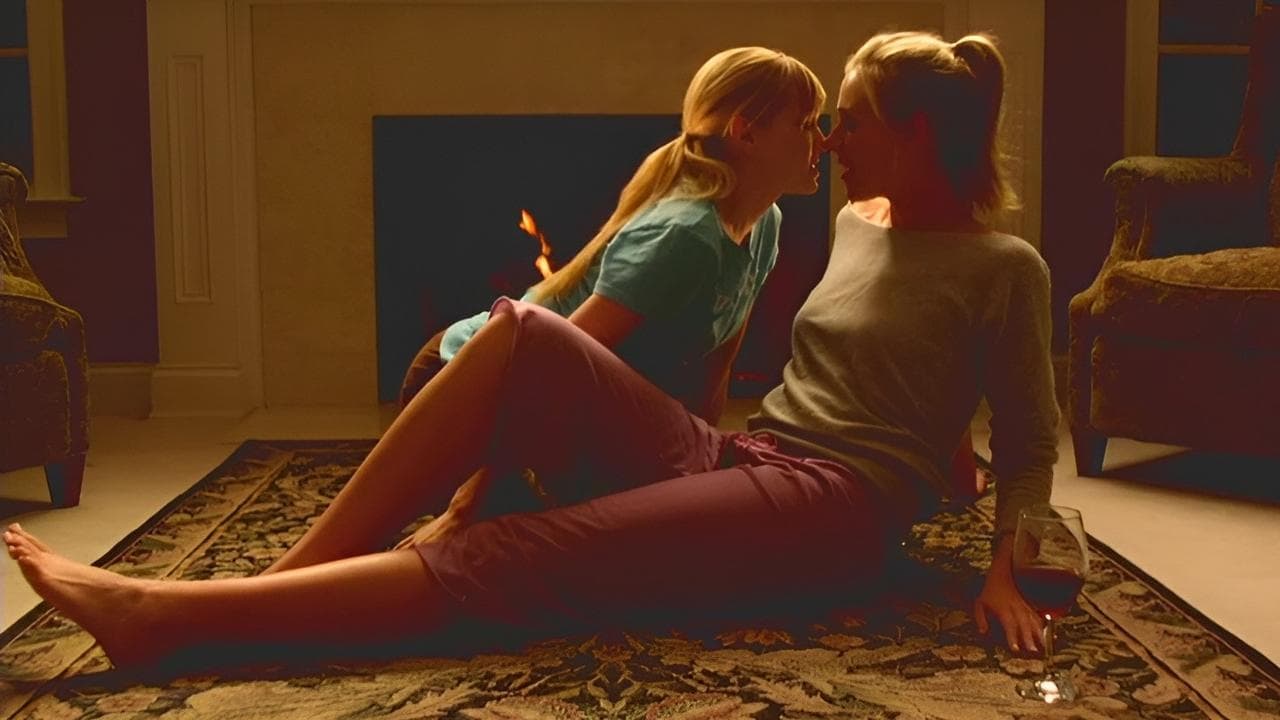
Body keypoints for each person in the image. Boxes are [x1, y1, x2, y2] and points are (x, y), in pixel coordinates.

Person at [5, 30, 1058, 668]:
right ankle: (284, 578)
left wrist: (1006, 571)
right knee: (524, 332)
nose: (828, 138)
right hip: (748, 455)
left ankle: (172, 619)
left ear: (918, 136)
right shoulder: (859, 223)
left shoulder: (1004, 268)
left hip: (832, 509)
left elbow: (1029, 440)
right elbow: (873, 362)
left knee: (522, 549)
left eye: (851, 120)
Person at [399, 46, 828, 425]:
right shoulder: (685, 235)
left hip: (546, 395)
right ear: (745, 132)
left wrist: (703, 455)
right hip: (464, 378)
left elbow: (714, 371)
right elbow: (551, 362)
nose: (823, 141)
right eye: (806, 124)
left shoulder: (764, 223)